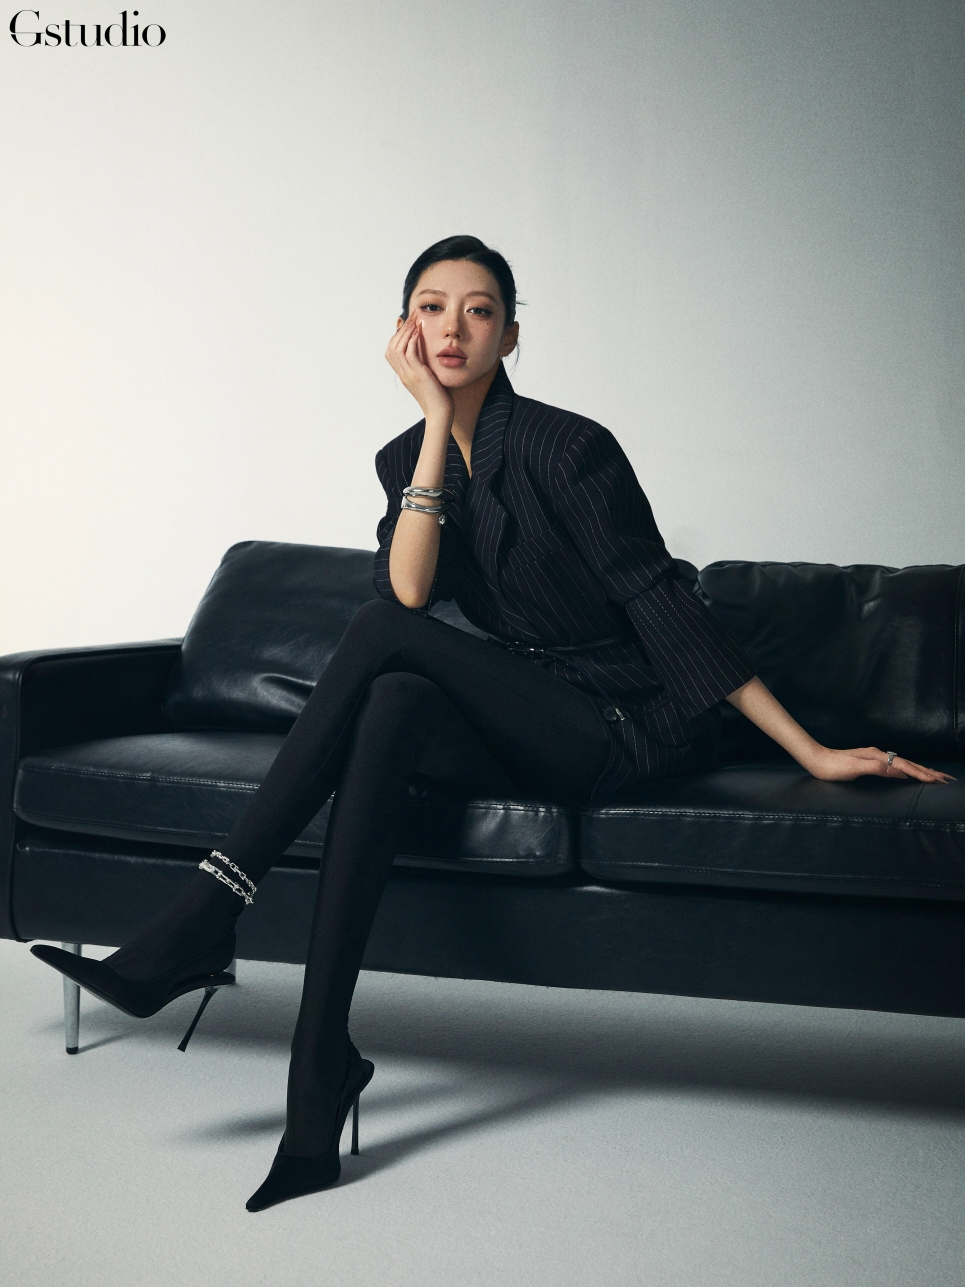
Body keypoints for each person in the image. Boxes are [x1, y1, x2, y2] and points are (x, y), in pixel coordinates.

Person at [31, 235, 953, 1212]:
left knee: (382, 637)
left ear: (510, 335)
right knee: (390, 701)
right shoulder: (405, 456)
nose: (453, 328)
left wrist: (808, 749)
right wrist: (434, 423)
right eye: (431, 307)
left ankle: (207, 908)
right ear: (402, 330)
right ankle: (318, 1062)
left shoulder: (569, 448)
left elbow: (657, 600)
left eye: (478, 311)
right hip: (529, 707)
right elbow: (411, 585)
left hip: (622, 722)